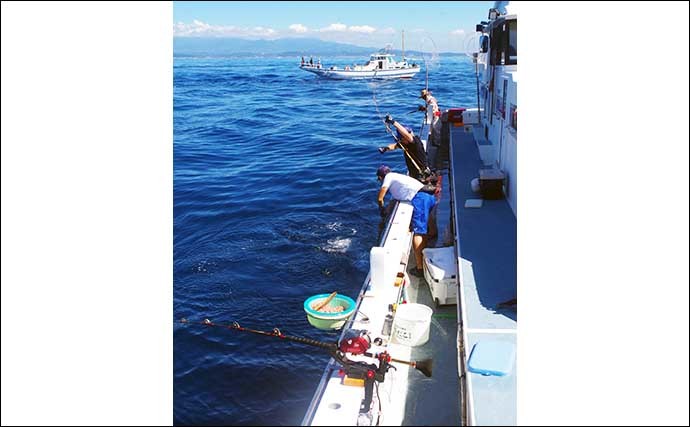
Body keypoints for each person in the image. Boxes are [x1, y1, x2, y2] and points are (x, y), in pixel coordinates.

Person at [376, 165, 436, 277]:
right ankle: (432, 237)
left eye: (379, 179)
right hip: (428, 195)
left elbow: (380, 197)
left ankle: (420, 268)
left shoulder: (388, 177)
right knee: (428, 221)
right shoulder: (398, 176)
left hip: (420, 198)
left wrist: (381, 209)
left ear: (381, 177)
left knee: (418, 232)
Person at [378, 114, 430, 181]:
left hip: (421, 174)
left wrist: (393, 122)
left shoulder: (415, 143)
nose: (400, 140)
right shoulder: (405, 144)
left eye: (402, 138)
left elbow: (406, 135)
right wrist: (385, 149)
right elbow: (394, 146)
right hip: (413, 174)